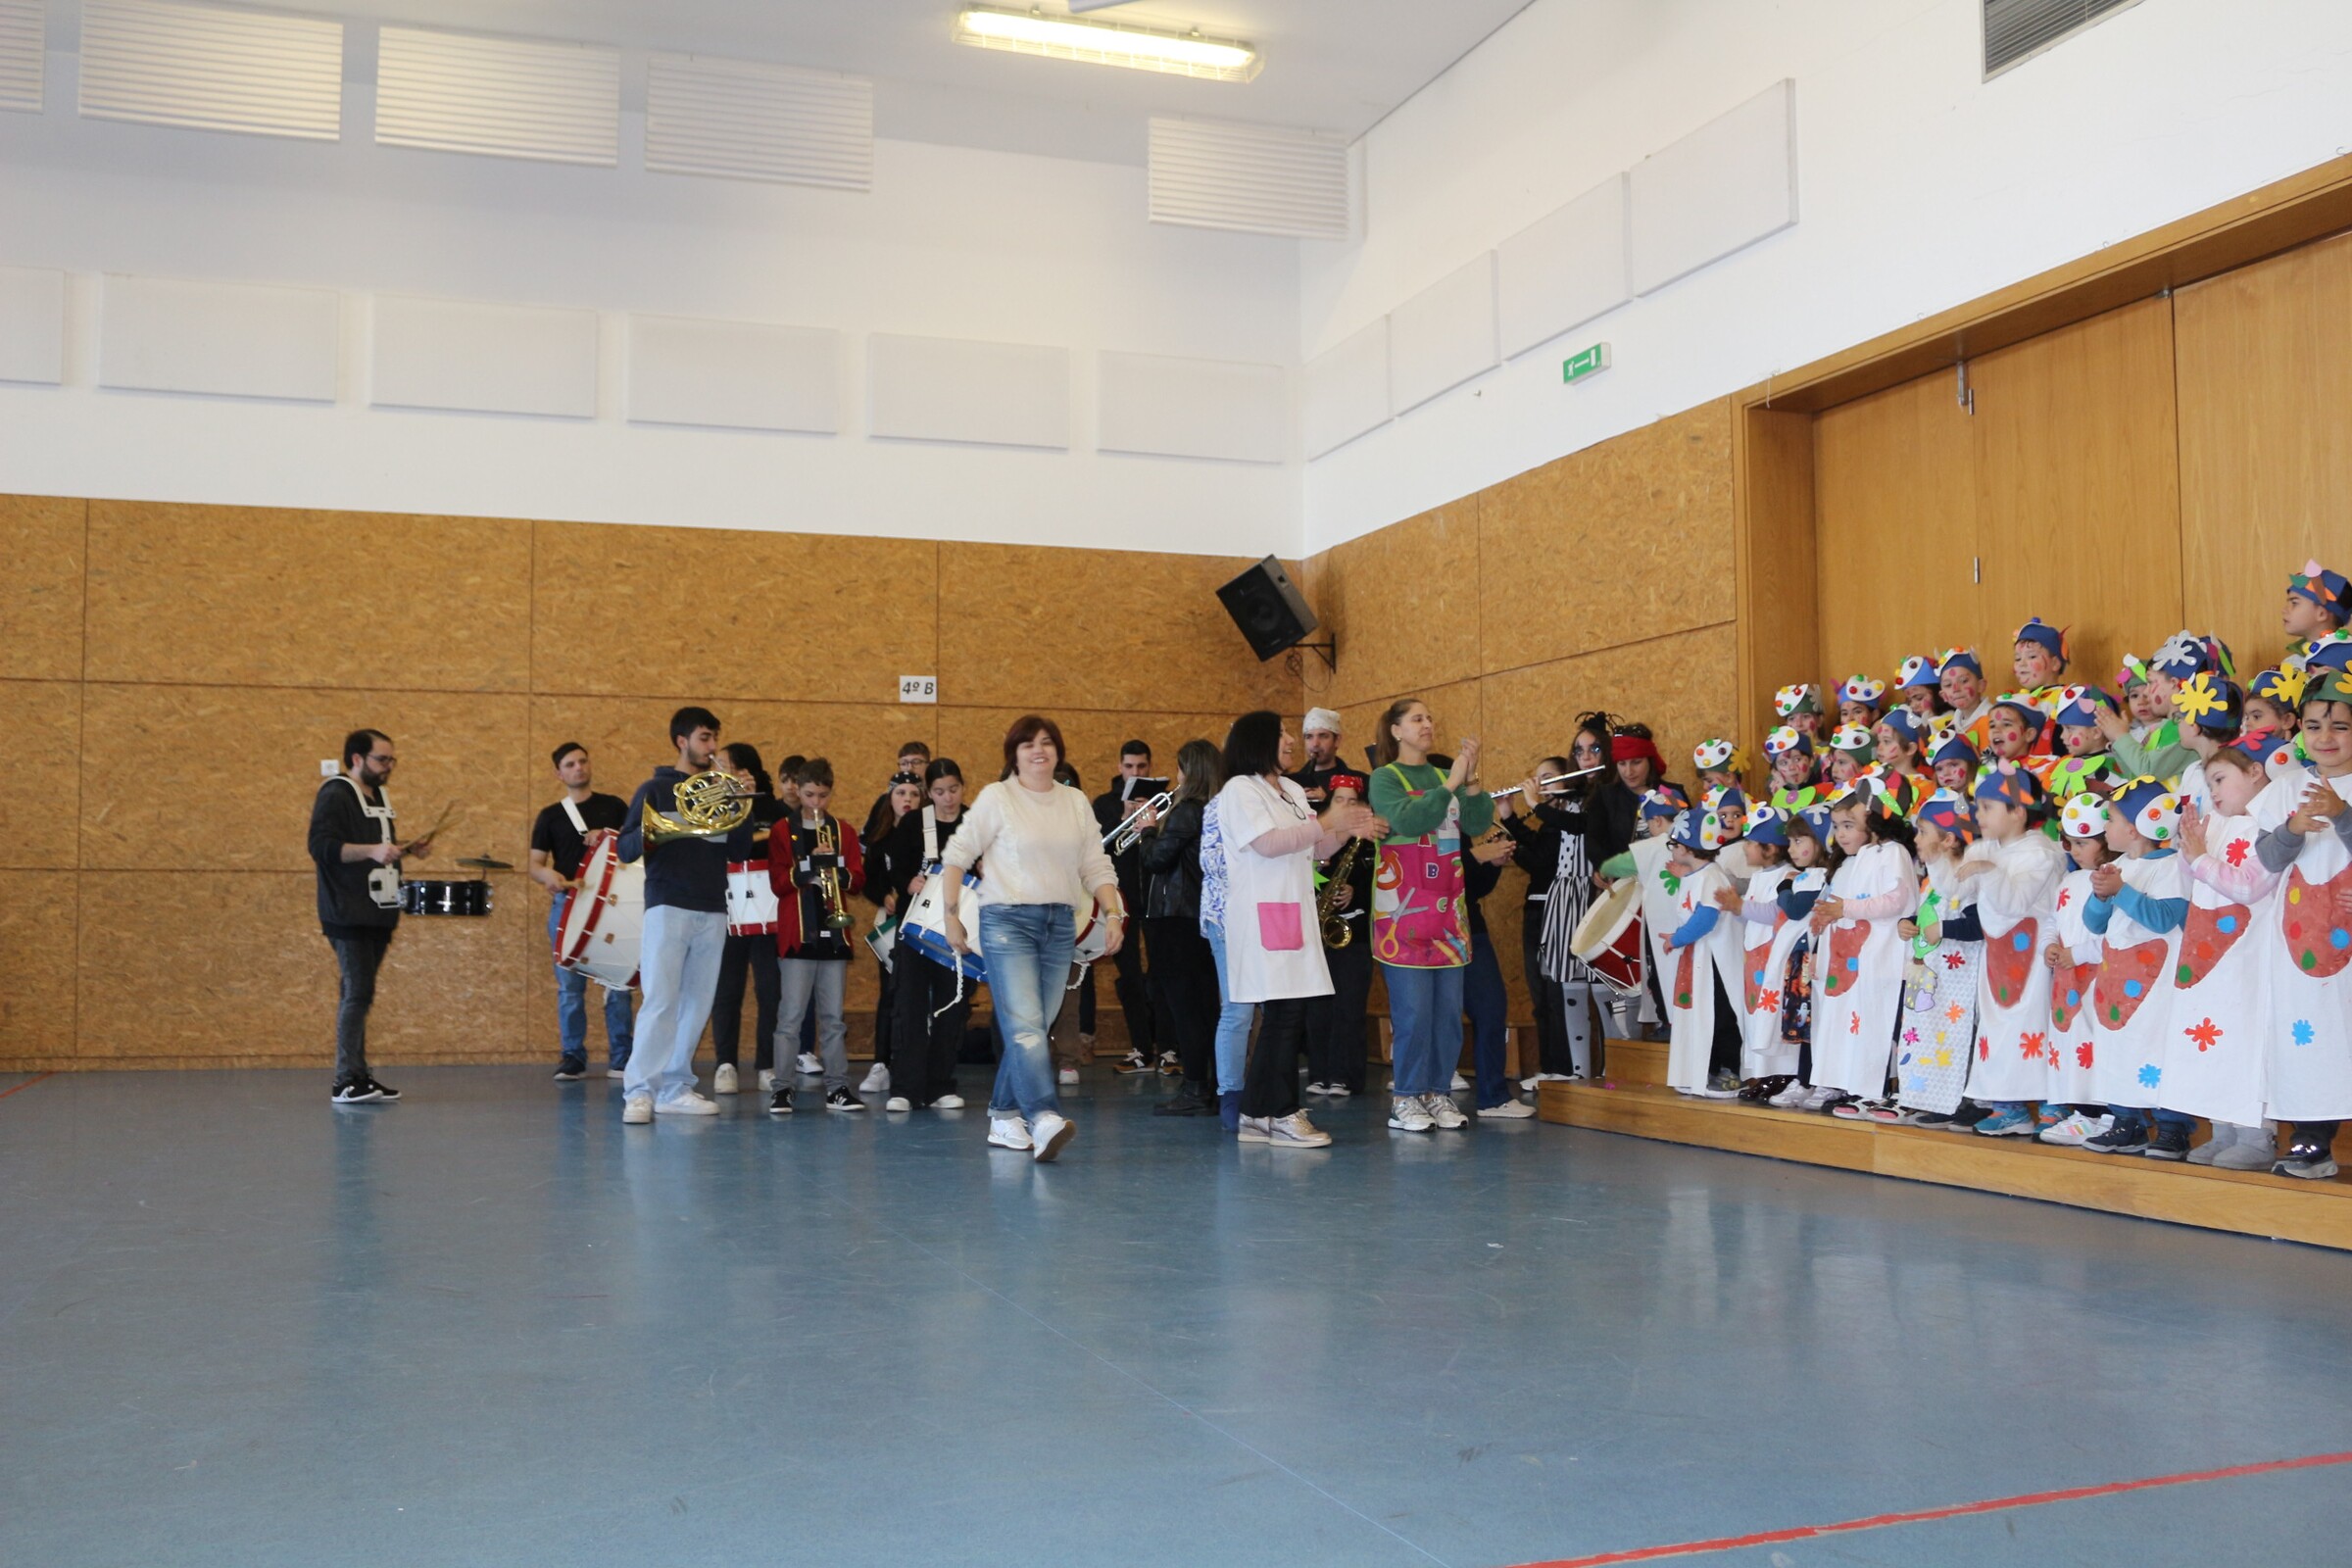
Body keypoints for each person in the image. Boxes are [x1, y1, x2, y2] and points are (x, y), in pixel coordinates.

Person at [938, 715, 1124, 1162]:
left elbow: (1095, 864)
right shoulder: (997, 797)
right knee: (1024, 1026)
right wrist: (951, 917)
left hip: (1059, 924)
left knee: (1035, 1028)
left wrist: (1114, 913)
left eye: (1046, 742)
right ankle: (1042, 1116)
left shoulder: (1075, 801)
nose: (1038, 750)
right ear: (1014, 754)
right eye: (1028, 744)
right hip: (1006, 923)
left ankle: (1004, 1116)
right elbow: (957, 856)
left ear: (1058, 751)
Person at [1218, 711, 1378, 1146]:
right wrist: (1328, 820)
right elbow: (1268, 843)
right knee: (1284, 1016)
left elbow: (1315, 847)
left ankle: (1258, 1113)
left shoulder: (1289, 789)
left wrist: (1348, 829)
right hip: (1262, 916)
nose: (1291, 741)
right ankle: (1281, 1111)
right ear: (1259, 742)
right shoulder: (1240, 790)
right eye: (1283, 734)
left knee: (1288, 1015)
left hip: (1294, 912)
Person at [1367, 698, 1493, 1133]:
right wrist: (1452, 782)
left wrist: (1469, 779)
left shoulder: (1445, 776)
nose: (1427, 724)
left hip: (1448, 915)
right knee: (1414, 1013)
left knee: (1447, 1014)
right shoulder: (1385, 778)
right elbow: (1410, 818)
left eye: (1429, 717)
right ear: (1396, 731)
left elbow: (1476, 823)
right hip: (1403, 918)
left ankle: (1437, 1092)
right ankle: (1406, 1096)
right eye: (1417, 718)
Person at [615, 706, 746, 1124]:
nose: (712, 747)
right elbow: (625, 849)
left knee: (696, 1003)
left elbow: (740, 851)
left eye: (715, 738)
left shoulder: (721, 790)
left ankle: (675, 1088)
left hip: (713, 907)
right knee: (660, 1001)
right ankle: (639, 1092)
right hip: (668, 903)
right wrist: (655, 834)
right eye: (705, 738)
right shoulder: (654, 789)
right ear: (682, 741)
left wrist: (740, 802)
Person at [2249, 669, 2352, 1178]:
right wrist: (2291, 827)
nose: (2325, 737)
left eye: (2340, 726)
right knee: (2310, 1035)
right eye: (2313, 726)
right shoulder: (2288, 786)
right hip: (2301, 939)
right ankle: (2312, 1138)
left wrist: (2343, 813)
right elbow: (2267, 858)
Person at [2164, 734, 2283, 1166]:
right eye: (2208, 782)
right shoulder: (2216, 824)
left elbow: (2250, 886)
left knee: (2245, 1039)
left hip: (2247, 956)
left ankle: (2256, 1136)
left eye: (2220, 779)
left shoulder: (2269, 823)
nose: (2212, 791)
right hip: (2205, 953)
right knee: (2209, 1039)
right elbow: (2190, 882)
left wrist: (2199, 857)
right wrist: (2189, 848)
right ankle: (2222, 1128)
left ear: (2255, 772)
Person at [309, 728, 433, 1104]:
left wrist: (406, 849)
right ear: (357, 759)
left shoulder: (378, 796)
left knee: (358, 992)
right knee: (357, 992)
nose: (389, 766)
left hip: (379, 910)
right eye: (382, 759)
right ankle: (345, 1080)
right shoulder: (335, 793)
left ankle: (359, 1074)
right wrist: (372, 851)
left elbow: (379, 851)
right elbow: (321, 846)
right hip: (347, 912)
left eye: (392, 759)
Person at [2081, 777, 2192, 1156]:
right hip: (2117, 979)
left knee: (2158, 1049)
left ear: (2134, 827)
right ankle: (2126, 1121)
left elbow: (2162, 918)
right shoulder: (2116, 865)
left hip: (2157, 985)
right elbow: (2094, 924)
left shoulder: (2173, 866)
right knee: (2118, 1049)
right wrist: (2100, 896)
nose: (2105, 827)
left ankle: (2173, 1127)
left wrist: (2120, 891)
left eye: (2111, 819)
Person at [1954, 764, 2064, 1137]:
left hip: (2034, 958)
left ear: (2017, 811)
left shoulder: (2041, 853)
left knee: (2035, 1026)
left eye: (1987, 807)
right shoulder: (1986, 849)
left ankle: (2053, 1104)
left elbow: (2015, 903)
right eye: (1977, 807)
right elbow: (1956, 891)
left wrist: (1988, 870)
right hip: (1998, 955)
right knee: (1999, 1029)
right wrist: (1940, 859)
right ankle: (2009, 1108)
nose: (1978, 815)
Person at [1804, 780, 1918, 1115]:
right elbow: (1842, 903)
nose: (1841, 834)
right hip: (1857, 959)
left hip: (1882, 956)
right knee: (1857, 1023)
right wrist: (1826, 920)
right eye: (1838, 826)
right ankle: (1857, 1086)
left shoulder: (1894, 852)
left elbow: (1897, 900)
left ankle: (1877, 1090)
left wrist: (1846, 909)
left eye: (1850, 823)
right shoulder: (1862, 856)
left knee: (1878, 1023)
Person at [1502, 721, 1606, 1086]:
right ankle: (1570, 1070)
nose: (1586, 758)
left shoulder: (1598, 799)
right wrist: (1510, 817)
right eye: (1579, 751)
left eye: (1594, 750)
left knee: (1597, 990)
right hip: (1561, 899)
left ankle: (1599, 1070)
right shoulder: (1570, 803)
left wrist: (1532, 805)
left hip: (1588, 898)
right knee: (1560, 986)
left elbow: (1575, 828)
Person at [527, 741, 634, 1083]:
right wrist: (548, 876)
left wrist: (609, 835)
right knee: (569, 986)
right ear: (559, 774)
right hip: (568, 904)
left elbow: (634, 844)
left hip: (613, 905)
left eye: (583, 761)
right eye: (570, 764)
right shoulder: (550, 815)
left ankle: (622, 1057)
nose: (579, 768)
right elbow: (535, 864)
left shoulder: (614, 806)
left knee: (617, 983)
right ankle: (572, 1056)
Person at [765, 759, 866, 1114]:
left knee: (834, 1019)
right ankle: (782, 1088)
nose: (816, 803)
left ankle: (838, 1088)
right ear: (798, 790)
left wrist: (835, 865)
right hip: (797, 933)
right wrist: (809, 863)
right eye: (809, 795)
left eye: (823, 796)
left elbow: (857, 880)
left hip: (833, 933)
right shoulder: (782, 830)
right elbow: (778, 882)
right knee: (790, 1018)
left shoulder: (843, 831)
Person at [873, 759, 973, 1113]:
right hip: (916, 929)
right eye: (940, 791)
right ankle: (905, 1088)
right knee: (909, 1007)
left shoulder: (974, 823)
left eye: (954, 789)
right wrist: (907, 882)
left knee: (952, 1007)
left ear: (963, 787)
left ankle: (940, 1086)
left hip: (959, 930)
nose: (948, 798)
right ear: (929, 793)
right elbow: (894, 867)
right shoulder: (915, 822)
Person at [1141, 740, 1223, 1116]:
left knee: (1185, 1010)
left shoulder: (1187, 810)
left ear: (1190, 772)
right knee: (1206, 1007)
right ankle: (1214, 1086)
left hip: (1174, 919)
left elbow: (1156, 860)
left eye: (1179, 768)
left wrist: (1148, 830)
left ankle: (1194, 1088)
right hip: (1200, 919)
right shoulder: (1215, 810)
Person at [708, 743, 784, 1096]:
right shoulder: (714, 807)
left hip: (768, 911)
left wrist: (750, 802)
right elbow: (720, 848)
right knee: (727, 989)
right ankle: (725, 1064)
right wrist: (735, 804)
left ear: (746, 769)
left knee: (770, 990)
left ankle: (767, 1064)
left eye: (725, 765)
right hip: (727, 909)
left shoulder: (774, 808)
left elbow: (780, 849)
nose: (719, 771)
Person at [1300, 772, 1377, 1098]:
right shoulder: (1315, 837)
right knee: (1318, 1008)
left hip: (1354, 933)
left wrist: (1355, 892)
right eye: (1339, 800)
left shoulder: (1370, 843)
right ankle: (1319, 1073)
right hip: (1318, 930)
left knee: (1349, 1006)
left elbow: (1383, 887)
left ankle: (1346, 1076)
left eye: (1352, 801)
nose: (1345, 806)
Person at [1091, 740, 1163, 1075]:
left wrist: (1152, 822)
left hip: (1156, 897)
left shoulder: (1161, 803)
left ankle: (1169, 1047)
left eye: (1142, 767)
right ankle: (1141, 1048)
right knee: (1130, 975)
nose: (1135, 773)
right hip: (1120, 900)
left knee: (1162, 973)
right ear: (1120, 767)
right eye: (1130, 767)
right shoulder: (1104, 804)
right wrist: (1123, 818)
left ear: (1150, 767)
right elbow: (1097, 849)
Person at [858, 769, 925, 1095]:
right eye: (901, 793)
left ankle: (917, 1062)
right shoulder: (880, 837)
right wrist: (883, 895)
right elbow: (868, 879)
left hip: (925, 921)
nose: (907, 799)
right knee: (890, 992)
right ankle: (881, 1063)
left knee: (921, 995)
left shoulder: (927, 835)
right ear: (890, 798)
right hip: (890, 923)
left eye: (913, 794)